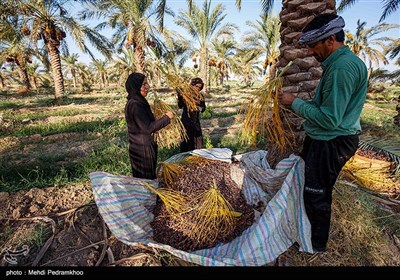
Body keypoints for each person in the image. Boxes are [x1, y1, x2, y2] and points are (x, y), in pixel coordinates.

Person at [278, 13, 368, 253]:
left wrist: (294, 102)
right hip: (325, 139)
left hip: (331, 141)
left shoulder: (342, 69)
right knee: (312, 188)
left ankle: (315, 245)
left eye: (312, 46)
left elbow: (329, 119)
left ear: (330, 40)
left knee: (316, 193)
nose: (309, 53)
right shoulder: (341, 63)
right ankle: (307, 232)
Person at [125, 72, 173, 179]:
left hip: (140, 146)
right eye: (144, 84)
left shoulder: (137, 101)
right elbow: (148, 128)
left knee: (144, 178)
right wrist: (167, 118)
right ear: (136, 86)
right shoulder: (135, 104)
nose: (147, 87)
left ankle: (146, 195)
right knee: (146, 180)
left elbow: (143, 122)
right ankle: (148, 196)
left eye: (147, 83)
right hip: (143, 150)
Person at [177, 77, 206, 152]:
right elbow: (180, 106)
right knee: (187, 143)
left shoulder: (201, 96)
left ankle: (196, 158)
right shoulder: (186, 95)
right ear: (192, 85)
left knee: (197, 143)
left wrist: (198, 108)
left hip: (195, 123)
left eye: (200, 87)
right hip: (186, 122)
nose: (198, 88)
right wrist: (180, 97)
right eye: (196, 86)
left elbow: (203, 108)